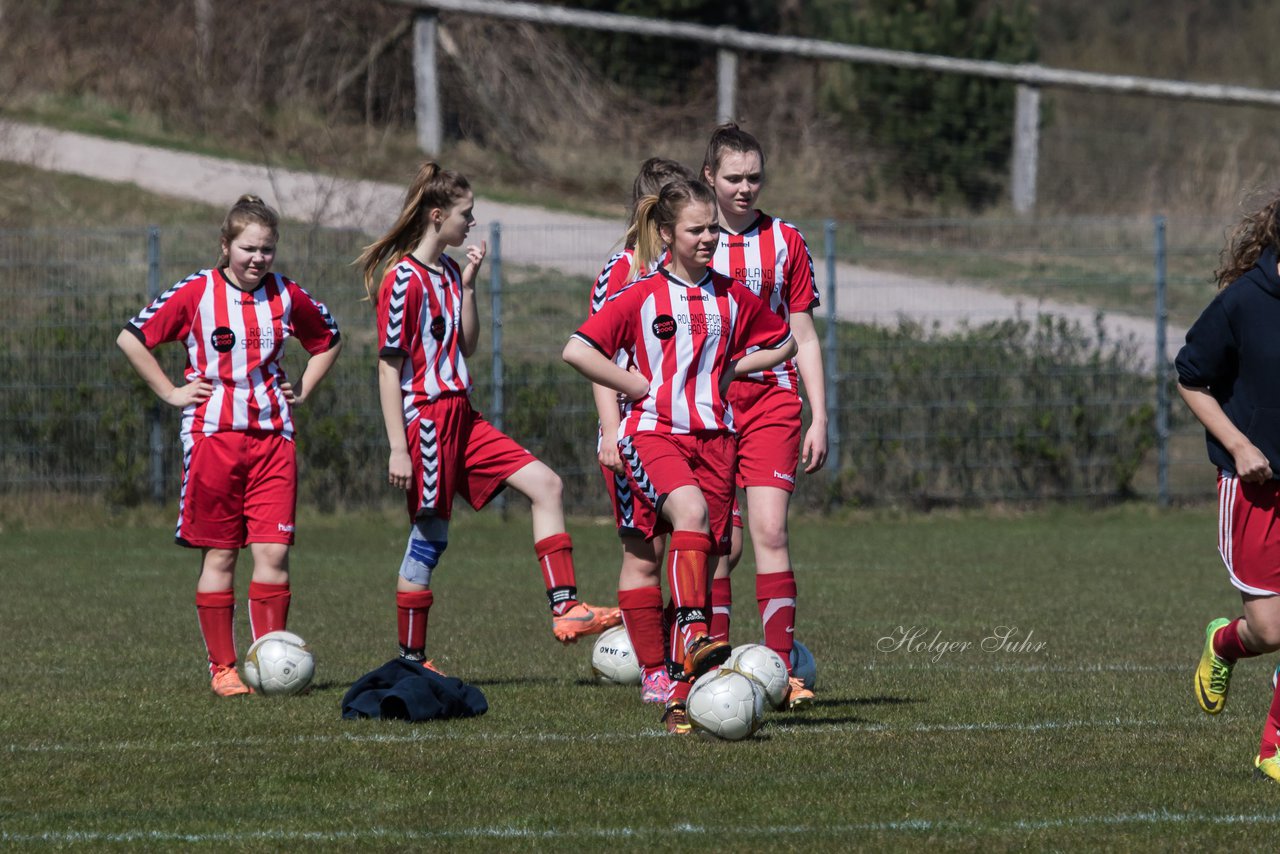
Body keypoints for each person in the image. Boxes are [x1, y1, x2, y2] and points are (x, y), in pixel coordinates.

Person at [358, 161, 620, 669]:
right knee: (430, 536)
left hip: (464, 414)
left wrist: (471, 287)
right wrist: (397, 446)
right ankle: (411, 658)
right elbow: (389, 370)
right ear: (437, 217)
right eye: (466, 214)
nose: (471, 223)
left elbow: (467, 345)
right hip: (428, 421)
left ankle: (566, 608)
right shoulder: (401, 281)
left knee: (547, 485)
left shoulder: (452, 272)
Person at [563, 178, 797, 734]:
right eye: (697, 229)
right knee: (685, 518)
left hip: (716, 437)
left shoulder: (730, 294)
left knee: (717, 550)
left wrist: (727, 371)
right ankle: (690, 635)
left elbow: (783, 338)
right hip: (654, 433)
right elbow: (577, 348)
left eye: (713, 228)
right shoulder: (641, 294)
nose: (709, 238)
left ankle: (680, 689)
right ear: (667, 234)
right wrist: (636, 387)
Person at [116, 194, 343, 697]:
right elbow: (132, 338)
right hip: (213, 439)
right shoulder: (197, 291)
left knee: (274, 554)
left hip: (273, 439)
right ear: (226, 245)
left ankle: (270, 664)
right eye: (248, 248)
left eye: (267, 249)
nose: (258, 259)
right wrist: (172, 392)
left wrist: (302, 387)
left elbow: (328, 338)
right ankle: (223, 668)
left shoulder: (287, 295)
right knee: (220, 556)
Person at [701, 122, 828, 709]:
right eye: (734, 178)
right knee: (720, 544)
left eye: (755, 177)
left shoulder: (787, 241)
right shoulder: (692, 240)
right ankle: (715, 668)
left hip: (774, 401)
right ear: (710, 178)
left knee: (770, 531)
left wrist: (819, 417)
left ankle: (781, 670)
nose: (746, 188)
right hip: (709, 404)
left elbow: (803, 334)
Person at [588, 157, 697, 706]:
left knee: (712, 543)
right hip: (634, 433)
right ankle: (657, 669)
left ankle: (686, 654)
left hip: (687, 433)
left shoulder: (689, 279)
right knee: (644, 552)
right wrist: (611, 431)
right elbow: (595, 356)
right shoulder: (622, 272)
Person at [1180, 190, 1280, 782]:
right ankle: (1224, 645)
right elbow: (1191, 378)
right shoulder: (1243, 302)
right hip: (1257, 489)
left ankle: (1273, 748)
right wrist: (1240, 446)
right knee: (1270, 630)